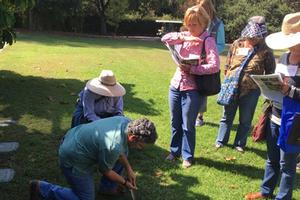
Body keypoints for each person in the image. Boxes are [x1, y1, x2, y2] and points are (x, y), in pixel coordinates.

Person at [29, 116, 157, 200]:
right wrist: (124, 182)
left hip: (74, 137)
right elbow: (105, 171)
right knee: (85, 198)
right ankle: (41, 188)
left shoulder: (125, 122)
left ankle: (107, 188)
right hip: (73, 156)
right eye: (140, 145)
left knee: (125, 155)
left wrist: (129, 169)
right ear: (133, 138)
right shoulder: (113, 146)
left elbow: (121, 150)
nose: (141, 148)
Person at [245, 12, 300, 200]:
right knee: (272, 159)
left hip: (294, 121)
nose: (290, 45)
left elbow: (290, 89)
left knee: (287, 164)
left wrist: (289, 90)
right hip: (275, 114)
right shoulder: (284, 57)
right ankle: (266, 191)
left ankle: (283, 197)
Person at [161, 5, 220, 168]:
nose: (191, 28)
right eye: (189, 24)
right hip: (175, 85)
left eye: (195, 24)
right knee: (175, 121)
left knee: (188, 124)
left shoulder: (208, 41)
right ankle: (174, 151)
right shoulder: (185, 35)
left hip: (193, 88)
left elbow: (215, 66)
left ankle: (188, 156)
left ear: (203, 23)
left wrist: (194, 69)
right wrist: (184, 37)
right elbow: (165, 38)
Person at [215, 16, 275, 152]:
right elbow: (228, 63)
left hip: (251, 91)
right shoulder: (237, 43)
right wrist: (227, 81)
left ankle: (239, 144)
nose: (253, 39)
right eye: (251, 36)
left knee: (245, 120)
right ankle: (220, 141)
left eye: (256, 37)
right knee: (226, 116)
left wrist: (264, 89)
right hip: (231, 87)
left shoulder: (266, 50)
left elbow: (270, 72)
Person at [195, 0, 226, 126]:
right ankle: (190, 113)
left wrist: (209, 51)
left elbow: (221, 45)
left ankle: (199, 116)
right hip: (193, 60)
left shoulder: (218, 24)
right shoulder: (197, 20)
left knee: (203, 89)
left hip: (207, 63)